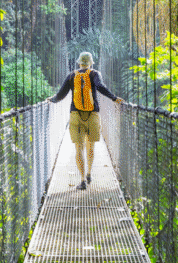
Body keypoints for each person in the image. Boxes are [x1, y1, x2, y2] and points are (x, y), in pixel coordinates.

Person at [47, 52, 124, 190]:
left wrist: (52, 100)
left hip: (75, 114)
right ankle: (89, 173)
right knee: (91, 146)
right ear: (91, 63)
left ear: (79, 63)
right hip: (92, 114)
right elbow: (100, 87)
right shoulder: (94, 74)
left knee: (78, 148)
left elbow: (61, 94)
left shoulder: (72, 75)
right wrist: (114, 98)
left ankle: (82, 180)